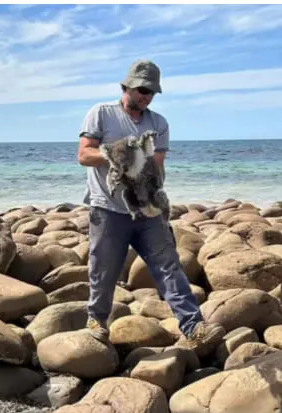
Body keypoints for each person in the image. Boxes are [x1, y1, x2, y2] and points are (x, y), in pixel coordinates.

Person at [76, 59, 223, 357]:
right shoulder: (101, 114)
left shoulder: (158, 124)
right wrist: (117, 155)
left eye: (151, 92)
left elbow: (156, 168)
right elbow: (84, 155)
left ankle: (193, 325)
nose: (146, 96)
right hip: (107, 210)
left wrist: (155, 197)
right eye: (142, 89)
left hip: (147, 210)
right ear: (126, 86)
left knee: (169, 265)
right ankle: (97, 320)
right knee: (103, 270)